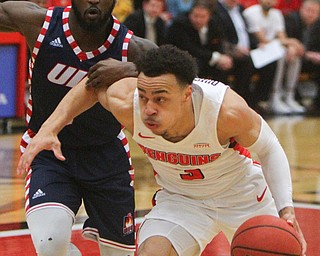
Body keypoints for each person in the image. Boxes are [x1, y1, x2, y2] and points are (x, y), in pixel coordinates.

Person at [17, 45, 307, 256]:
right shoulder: (127, 104)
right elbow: (90, 87)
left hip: (242, 196)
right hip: (183, 200)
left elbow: (269, 148)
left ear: (186, 94)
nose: (148, 108)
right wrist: (49, 129)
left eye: (160, 98)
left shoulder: (225, 111)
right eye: (143, 96)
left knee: (281, 249)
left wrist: (286, 209)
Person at [0, 1, 157, 255]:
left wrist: (129, 69)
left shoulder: (132, 48)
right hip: (50, 153)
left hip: (106, 155)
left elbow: (179, 70)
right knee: (50, 244)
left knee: (120, 253)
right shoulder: (40, 24)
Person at [243, 0, 306, 114]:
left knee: (293, 55)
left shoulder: (276, 14)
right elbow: (262, 39)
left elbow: (282, 36)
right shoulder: (251, 13)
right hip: (256, 51)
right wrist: (291, 42)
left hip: (273, 48)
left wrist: (290, 45)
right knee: (280, 55)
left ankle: (289, 95)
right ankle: (274, 95)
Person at [166, 0, 233, 83]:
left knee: (235, 63)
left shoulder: (214, 23)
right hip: (185, 59)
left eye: (202, 16)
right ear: (190, 14)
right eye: (195, 16)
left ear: (209, 16)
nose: (198, 20)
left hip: (206, 58)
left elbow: (219, 42)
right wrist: (216, 57)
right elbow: (189, 48)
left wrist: (223, 56)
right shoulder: (180, 24)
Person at [285, 0, 320, 111]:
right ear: (301, 9)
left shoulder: (317, 25)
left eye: (314, 12)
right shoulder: (292, 19)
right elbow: (287, 42)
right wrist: (307, 54)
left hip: (311, 60)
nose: (311, 14)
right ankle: (290, 97)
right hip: (291, 58)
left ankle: (317, 103)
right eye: (308, 10)